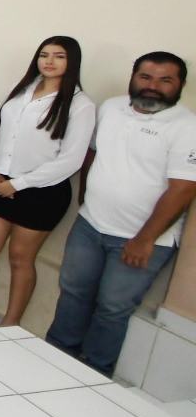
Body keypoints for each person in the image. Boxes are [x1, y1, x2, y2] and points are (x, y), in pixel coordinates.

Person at [46, 52, 196, 376]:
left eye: (165, 80)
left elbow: (183, 189)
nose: (153, 86)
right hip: (90, 225)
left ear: (180, 84)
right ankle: (55, 360)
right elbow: (92, 154)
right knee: (72, 293)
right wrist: (85, 200)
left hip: (142, 240)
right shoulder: (112, 107)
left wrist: (144, 240)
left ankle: (93, 373)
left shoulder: (187, 127)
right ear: (133, 77)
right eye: (146, 77)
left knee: (113, 309)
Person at [0, 37, 95, 331]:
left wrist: (19, 184)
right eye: (44, 55)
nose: (49, 61)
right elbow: (0, 133)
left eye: (59, 56)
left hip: (42, 192)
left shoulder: (80, 104)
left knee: (21, 258)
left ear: (72, 62)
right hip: (2, 184)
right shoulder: (24, 91)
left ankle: (11, 323)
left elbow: (71, 160)